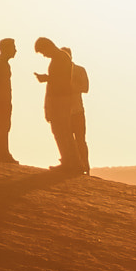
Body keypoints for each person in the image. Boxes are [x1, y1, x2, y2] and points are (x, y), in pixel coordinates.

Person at [33, 37, 88, 175]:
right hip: (58, 98)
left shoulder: (61, 58)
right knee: (60, 132)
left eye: (43, 52)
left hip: (62, 99)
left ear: (48, 46)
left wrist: (47, 78)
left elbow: (63, 81)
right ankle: (69, 162)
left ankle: (73, 164)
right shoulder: (59, 58)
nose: (44, 55)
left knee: (63, 132)